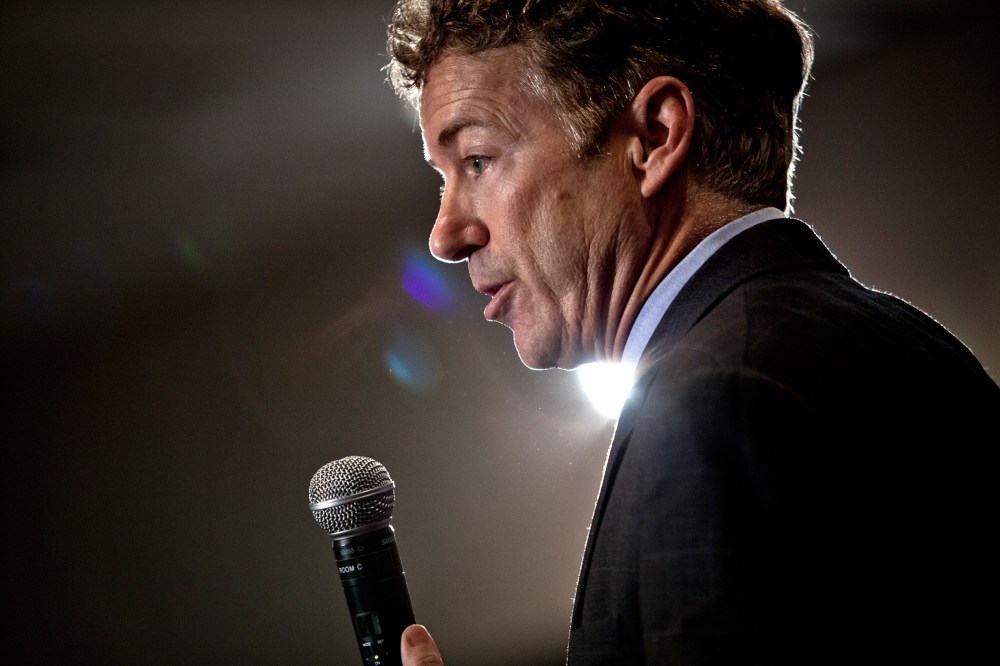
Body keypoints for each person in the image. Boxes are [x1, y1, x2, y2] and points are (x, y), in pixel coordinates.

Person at [384, 1, 1000, 663]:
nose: (445, 235)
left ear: (652, 137)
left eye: (476, 160)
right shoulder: (919, 349)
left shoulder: (718, 401)